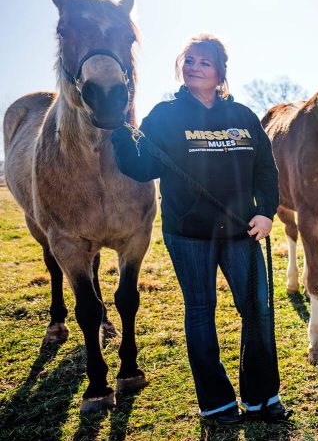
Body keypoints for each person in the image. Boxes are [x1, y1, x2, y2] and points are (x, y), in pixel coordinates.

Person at [110, 34, 290, 423]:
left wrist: (266, 212)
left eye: (203, 62)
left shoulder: (242, 115)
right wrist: (120, 132)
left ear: (220, 72)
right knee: (201, 311)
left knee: (257, 309)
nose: (193, 67)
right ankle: (216, 403)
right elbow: (145, 167)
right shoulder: (165, 115)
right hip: (189, 232)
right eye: (188, 60)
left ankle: (261, 399)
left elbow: (265, 169)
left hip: (242, 230)